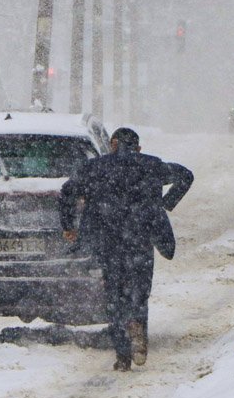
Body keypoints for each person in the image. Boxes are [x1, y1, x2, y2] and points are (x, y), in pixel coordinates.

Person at [59, 127, 193, 371]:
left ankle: (122, 355)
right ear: (138, 148)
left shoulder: (95, 168)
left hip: (107, 240)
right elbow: (186, 176)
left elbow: (67, 191)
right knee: (139, 291)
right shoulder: (151, 165)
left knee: (114, 295)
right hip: (141, 237)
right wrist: (165, 204)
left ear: (112, 144)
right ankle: (137, 326)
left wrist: (69, 226)